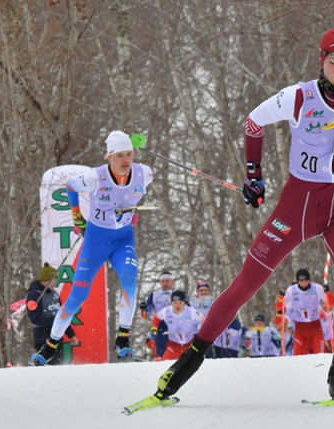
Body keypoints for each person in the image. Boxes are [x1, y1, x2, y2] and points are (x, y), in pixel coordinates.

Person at [150, 27, 334, 401]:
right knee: (246, 283)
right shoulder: (299, 97)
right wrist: (253, 175)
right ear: (321, 60)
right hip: (299, 206)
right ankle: (188, 362)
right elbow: (253, 122)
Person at [31, 130, 154, 365]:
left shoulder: (143, 173)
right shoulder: (95, 177)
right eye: (119, 156)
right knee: (78, 296)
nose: (125, 160)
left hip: (123, 241)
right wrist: (77, 218)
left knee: (129, 278)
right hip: (96, 242)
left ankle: (123, 339)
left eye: (129, 154)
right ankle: (50, 346)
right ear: (109, 157)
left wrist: (132, 212)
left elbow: (133, 195)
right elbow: (70, 186)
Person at [26, 263, 80, 365]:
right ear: (48, 279)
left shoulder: (54, 294)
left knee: (58, 367)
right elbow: (35, 318)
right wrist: (54, 320)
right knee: (47, 368)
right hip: (43, 338)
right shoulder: (34, 295)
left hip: (57, 337)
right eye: (55, 278)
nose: (56, 281)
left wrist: (71, 334)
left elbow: (62, 315)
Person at [151, 290, 204, 360]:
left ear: (184, 303)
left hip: (189, 346)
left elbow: (204, 320)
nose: (177, 305)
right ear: (172, 303)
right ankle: (159, 357)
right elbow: (156, 317)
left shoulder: (191, 311)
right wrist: (154, 329)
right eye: (175, 302)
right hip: (173, 346)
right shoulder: (166, 311)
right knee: (165, 365)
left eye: (180, 302)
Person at [284, 269, 327, 355]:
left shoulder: (317, 288)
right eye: (301, 280)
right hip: (300, 329)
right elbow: (283, 308)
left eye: (306, 280)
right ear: (297, 281)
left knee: (320, 357)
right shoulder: (291, 290)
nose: (304, 282)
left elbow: (328, 303)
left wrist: (328, 293)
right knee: (298, 357)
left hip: (315, 327)